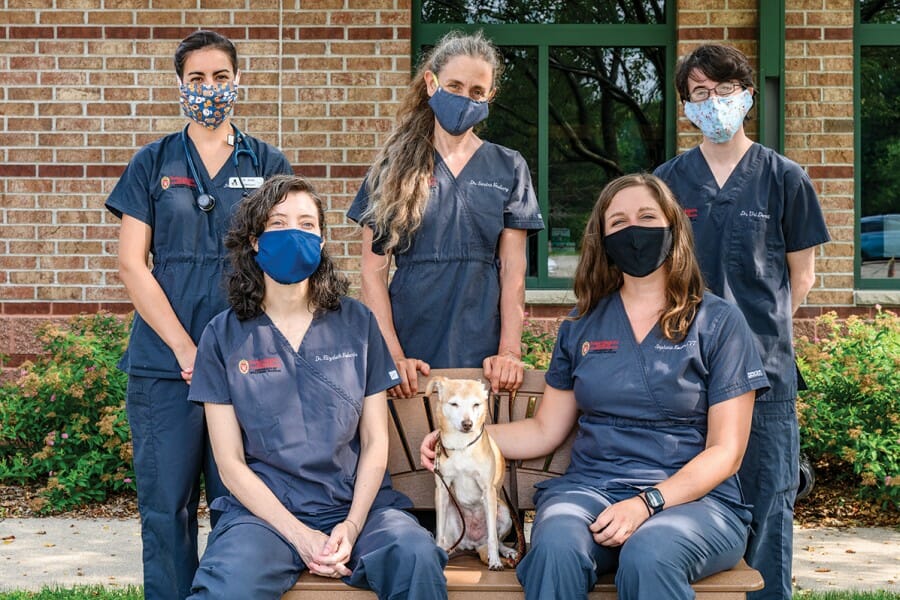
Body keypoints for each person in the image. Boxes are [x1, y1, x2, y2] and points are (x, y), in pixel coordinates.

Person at [422, 173, 771, 600]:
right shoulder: (582, 324)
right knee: (555, 550)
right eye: (618, 223)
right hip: (590, 491)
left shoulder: (719, 323)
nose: (634, 230)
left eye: (647, 216)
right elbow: (545, 430)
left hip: (691, 502)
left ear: (674, 227)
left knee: (650, 555)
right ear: (603, 240)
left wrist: (648, 503)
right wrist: (463, 439)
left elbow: (726, 452)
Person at [185, 175, 448, 599]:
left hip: (357, 507)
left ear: (322, 240)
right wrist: (301, 535)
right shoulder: (223, 335)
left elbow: (376, 441)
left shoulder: (358, 324)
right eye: (279, 223)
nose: (295, 233)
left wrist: (352, 524)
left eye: (307, 224)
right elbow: (230, 464)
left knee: (415, 555)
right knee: (225, 586)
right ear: (255, 241)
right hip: (265, 518)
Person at [104, 30, 294, 600]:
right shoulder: (153, 162)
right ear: (179, 86)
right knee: (167, 509)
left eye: (220, 77)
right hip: (166, 367)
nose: (209, 89)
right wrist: (189, 351)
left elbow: (287, 260)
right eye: (196, 80)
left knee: (242, 508)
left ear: (238, 81)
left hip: (248, 368)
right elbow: (133, 266)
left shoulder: (267, 162)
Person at [652, 44, 831, 600]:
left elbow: (800, 279)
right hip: (684, 375)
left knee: (769, 506)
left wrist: (747, 341)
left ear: (748, 96)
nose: (714, 103)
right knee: (683, 508)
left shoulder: (785, 178)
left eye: (725, 90)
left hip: (766, 379)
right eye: (700, 93)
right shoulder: (666, 182)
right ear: (685, 107)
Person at [347, 30, 544, 398]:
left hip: (482, 354)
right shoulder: (392, 168)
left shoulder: (509, 167)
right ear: (430, 82)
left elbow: (513, 272)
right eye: (454, 86)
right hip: (411, 356)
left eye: (476, 92)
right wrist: (393, 354)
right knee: (411, 452)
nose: (464, 98)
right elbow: (372, 274)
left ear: (490, 97)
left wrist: (509, 353)